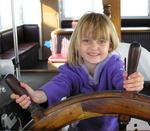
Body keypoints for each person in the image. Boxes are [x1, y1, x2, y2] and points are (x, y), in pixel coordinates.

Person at [11, 12, 144, 131]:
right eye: (86, 41)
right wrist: (38, 96)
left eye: (101, 41)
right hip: (79, 127)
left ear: (109, 45)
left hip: (111, 128)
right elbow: (59, 84)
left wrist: (132, 84)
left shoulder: (115, 65)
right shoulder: (72, 69)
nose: (94, 47)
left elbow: (122, 82)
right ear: (77, 43)